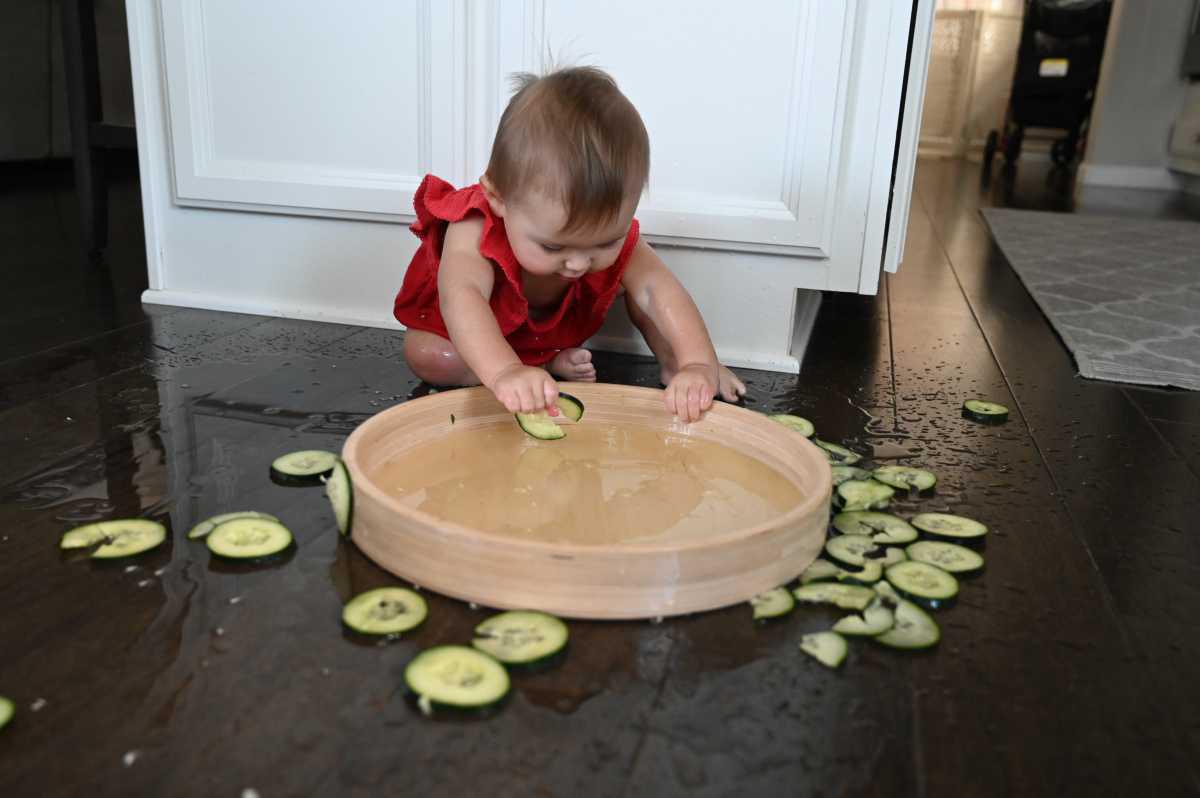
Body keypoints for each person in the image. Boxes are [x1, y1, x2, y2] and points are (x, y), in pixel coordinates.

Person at [394, 66, 746, 423]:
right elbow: (462, 299)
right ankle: (539, 366)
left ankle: (677, 366)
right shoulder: (472, 225)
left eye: (605, 242)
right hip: (472, 334)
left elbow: (659, 291)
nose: (579, 264)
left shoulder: (596, 241)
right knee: (431, 357)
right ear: (499, 198)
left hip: (549, 323)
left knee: (643, 288)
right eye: (553, 247)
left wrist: (699, 362)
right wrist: (504, 372)